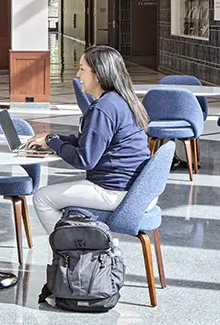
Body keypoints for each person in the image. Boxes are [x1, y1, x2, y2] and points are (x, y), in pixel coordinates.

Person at [24, 46, 152, 232]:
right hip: (137, 188)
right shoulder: (122, 100)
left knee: (42, 198)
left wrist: (53, 142)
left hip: (117, 191)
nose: (78, 74)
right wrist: (55, 140)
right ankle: (81, 244)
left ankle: (68, 252)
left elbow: (84, 160)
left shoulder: (103, 108)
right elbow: (95, 142)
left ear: (98, 75)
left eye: (82, 69)